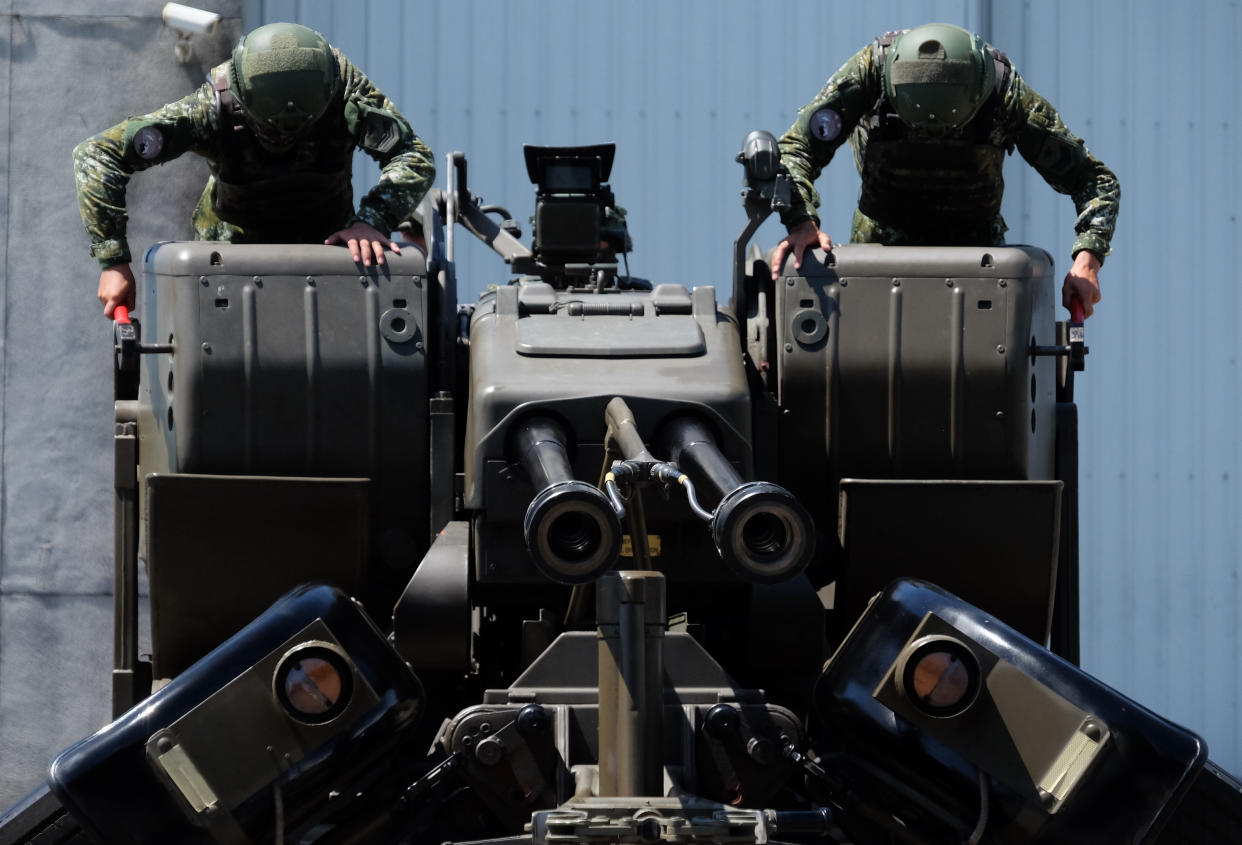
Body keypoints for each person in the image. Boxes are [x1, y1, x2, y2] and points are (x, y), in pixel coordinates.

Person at [74, 22, 436, 318]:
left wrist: (372, 220)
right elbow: (98, 154)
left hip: (330, 257)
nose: (285, 140)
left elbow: (412, 154)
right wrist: (114, 261)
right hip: (227, 267)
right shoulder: (213, 107)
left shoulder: (344, 90)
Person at [771, 23, 1118, 318]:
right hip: (876, 253)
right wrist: (801, 222)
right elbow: (796, 148)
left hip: (978, 265)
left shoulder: (1003, 93)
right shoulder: (870, 72)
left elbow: (1093, 180)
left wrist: (1088, 258)